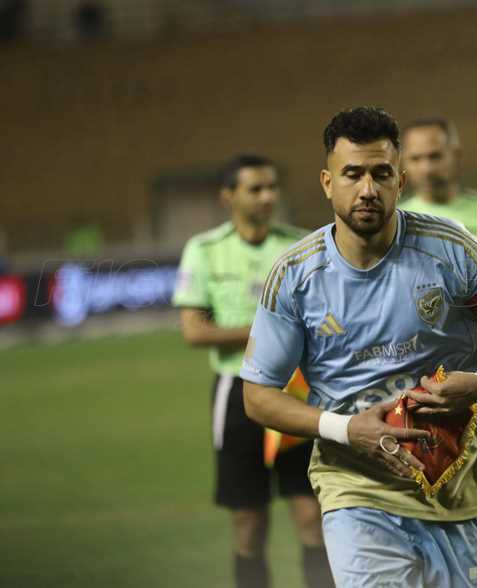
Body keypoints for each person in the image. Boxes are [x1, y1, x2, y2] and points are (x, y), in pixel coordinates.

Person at [239, 106, 477, 587]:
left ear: (400, 181)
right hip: (356, 489)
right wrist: (347, 429)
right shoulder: (295, 276)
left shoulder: (450, 249)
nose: (367, 189)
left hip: (455, 485)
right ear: (328, 182)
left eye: (381, 173)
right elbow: (258, 395)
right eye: (353, 174)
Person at [172, 154, 331, 588]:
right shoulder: (205, 250)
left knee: (312, 515)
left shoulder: (303, 246)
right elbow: (194, 330)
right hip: (237, 393)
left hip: (298, 391)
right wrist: (269, 330)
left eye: (272, 187)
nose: (267, 197)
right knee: (248, 521)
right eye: (255, 189)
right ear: (228, 197)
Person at [398, 116, 477, 587]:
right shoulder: (398, 222)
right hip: (422, 388)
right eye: (417, 158)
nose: (428, 167)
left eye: (436, 155)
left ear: (456, 156)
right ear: (405, 165)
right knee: (425, 495)